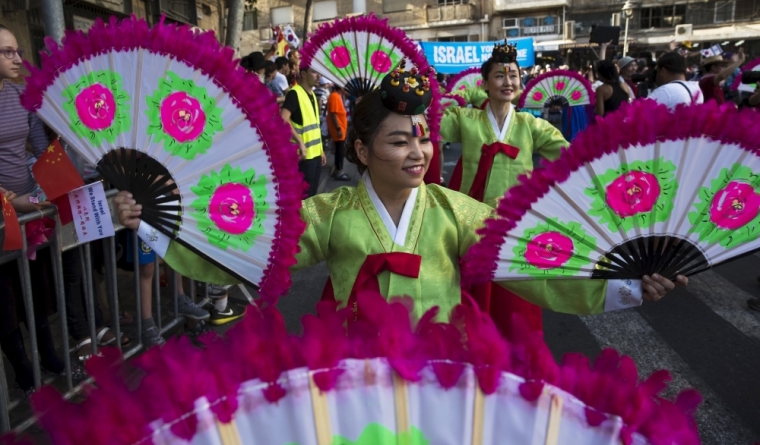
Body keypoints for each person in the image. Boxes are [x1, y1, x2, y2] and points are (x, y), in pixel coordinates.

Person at [114, 65, 686, 325]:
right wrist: (151, 221)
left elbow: (534, 265)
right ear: (361, 152)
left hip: (443, 370)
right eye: (397, 141)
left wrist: (627, 283)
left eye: (423, 140)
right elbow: (257, 242)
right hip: (349, 377)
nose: (419, 153)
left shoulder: (457, 212)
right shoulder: (328, 213)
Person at [438, 43, 570, 335]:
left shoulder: (531, 125)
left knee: (514, 306)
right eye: (499, 76)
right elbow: (433, 121)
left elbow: (570, 158)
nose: (507, 82)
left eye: (513, 76)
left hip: (515, 226)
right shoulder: (466, 119)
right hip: (470, 223)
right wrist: (458, 96)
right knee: (471, 300)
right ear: (484, 84)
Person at [0, 25, 84, 394]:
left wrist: (56, 185)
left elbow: (35, 151)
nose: (19, 59)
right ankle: (23, 370)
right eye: (8, 52)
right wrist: (7, 199)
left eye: (17, 51)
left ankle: (49, 354)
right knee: (4, 300)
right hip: (3, 215)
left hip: (28, 211)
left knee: (34, 287)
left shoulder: (21, 95)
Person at [281, 66, 326, 198]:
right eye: (314, 72)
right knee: (302, 199)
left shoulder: (312, 94)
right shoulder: (294, 93)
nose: (318, 76)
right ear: (304, 74)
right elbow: (283, 119)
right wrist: (299, 142)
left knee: (311, 197)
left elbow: (315, 127)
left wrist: (321, 150)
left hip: (315, 155)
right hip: (303, 157)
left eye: (319, 73)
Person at [327, 84, 350, 181]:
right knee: (340, 151)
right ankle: (339, 171)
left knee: (340, 150)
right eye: (347, 87)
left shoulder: (339, 96)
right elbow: (332, 114)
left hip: (341, 129)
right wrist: (338, 129)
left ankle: (338, 170)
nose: (348, 90)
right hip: (338, 130)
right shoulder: (334, 96)